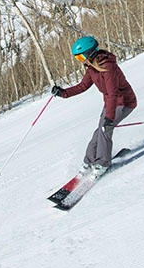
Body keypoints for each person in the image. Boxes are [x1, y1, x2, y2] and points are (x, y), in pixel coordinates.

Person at [51, 36, 137, 176]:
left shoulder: (108, 67)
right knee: (99, 131)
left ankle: (102, 163)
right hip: (110, 103)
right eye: (78, 58)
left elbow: (112, 93)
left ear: (90, 53)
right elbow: (82, 86)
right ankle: (89, 161)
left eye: (80, 57)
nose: (80, 60)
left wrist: (109, 118)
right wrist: (63, 93)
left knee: (105, 130)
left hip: (124, 102)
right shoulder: (92, 68)